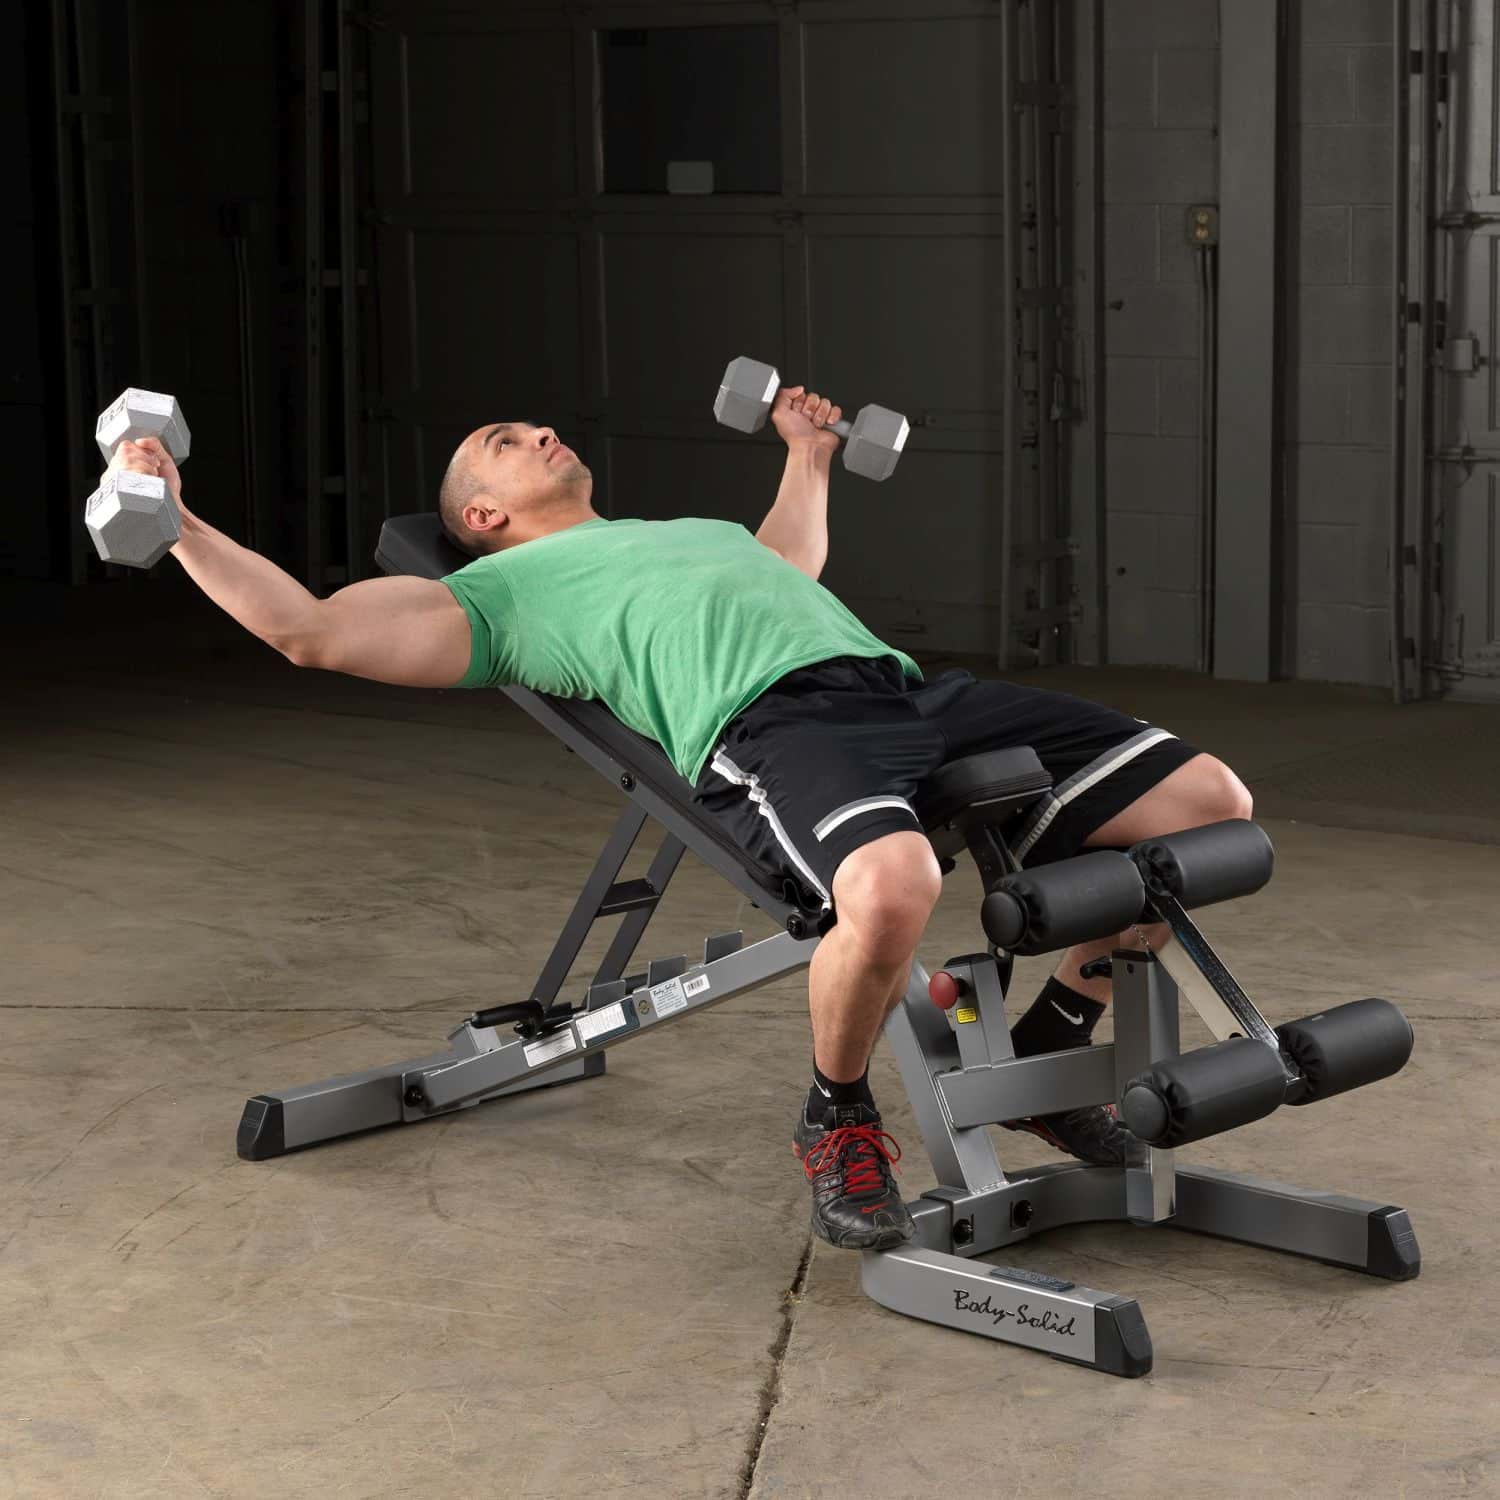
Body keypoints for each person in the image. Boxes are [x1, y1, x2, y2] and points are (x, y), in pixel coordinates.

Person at [110, 385, 1252, 1253]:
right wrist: (177, 517)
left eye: (535, 423)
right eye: (506, 440)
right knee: (891, 887)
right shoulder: (493, 596)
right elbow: (308, 629)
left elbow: (789, 567)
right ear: (482, 513)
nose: (539, 429)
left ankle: (1053, 1039)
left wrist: (806, 455)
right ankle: (837, 1116)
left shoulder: (694, 533)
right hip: (778, 729)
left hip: (905, 691)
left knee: (1209, 806)